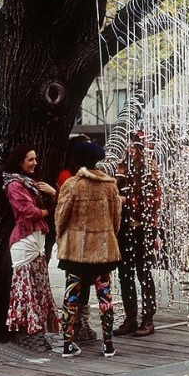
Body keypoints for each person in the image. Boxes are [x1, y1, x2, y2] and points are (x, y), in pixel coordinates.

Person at [55, 141, 123, 358]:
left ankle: (67, 344)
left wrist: (61, 237)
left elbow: (61, 216)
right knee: (105, 296)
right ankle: (108, 343)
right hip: (103, 251)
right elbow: (116, 219)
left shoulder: (72, 185)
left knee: (71, 296)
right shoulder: (110, 185)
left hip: (75, 251)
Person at [2, 144, 60, 351]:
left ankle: (36, 332)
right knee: (25, 289)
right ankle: (28, 332)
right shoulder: (14, 185)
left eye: (35, 159)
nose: (35, 163)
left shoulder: (32, 183)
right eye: (30, 160)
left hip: (36, 240)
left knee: (38, 287)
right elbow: (30, 212)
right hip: (24, 241)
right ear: (19, 162)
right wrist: (51, 206)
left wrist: (52, 197)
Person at [114, 133, 161, 337]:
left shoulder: (148, 175)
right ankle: (130, 317)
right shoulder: (122, 172)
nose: (129, 151)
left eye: (133, 147)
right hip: (124, 230)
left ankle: (147, 319)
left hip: (143, 229)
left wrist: (128, 202)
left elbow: (152, 203)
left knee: (143, 274)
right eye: (128, 147)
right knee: (125, 273)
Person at [54, 134, 98, 341]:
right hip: (78, 240)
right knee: (75, 283)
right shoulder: (68, 178)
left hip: (84, 239)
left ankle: (80, 324)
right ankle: (73, 325)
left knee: (84, 283)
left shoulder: (79, 178)